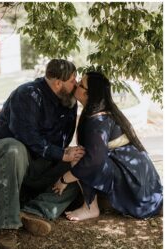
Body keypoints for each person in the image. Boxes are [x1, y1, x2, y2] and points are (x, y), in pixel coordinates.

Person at [0, 59, 83, 249]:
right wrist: (62, 154)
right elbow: (26, 136)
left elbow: (62, 142)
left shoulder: (69, 102)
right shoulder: (28, 94)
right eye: (73, 80)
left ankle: (33, 211)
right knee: (14, 149)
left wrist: (69, 157)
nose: (77, 83)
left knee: (81, 167)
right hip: (5, 152)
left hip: (41, 161)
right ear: (57, 82)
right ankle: (6, 229)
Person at [52, 71, 163, 222]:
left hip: (139, 191)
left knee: (79, 156)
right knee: (79, 153)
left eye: (81, 85)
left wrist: (64, 180)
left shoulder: (98, 120)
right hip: (141, 182)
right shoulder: (98, 113)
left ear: (89, 94)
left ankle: (90, 208)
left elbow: (94, 160)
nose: (76, 85)